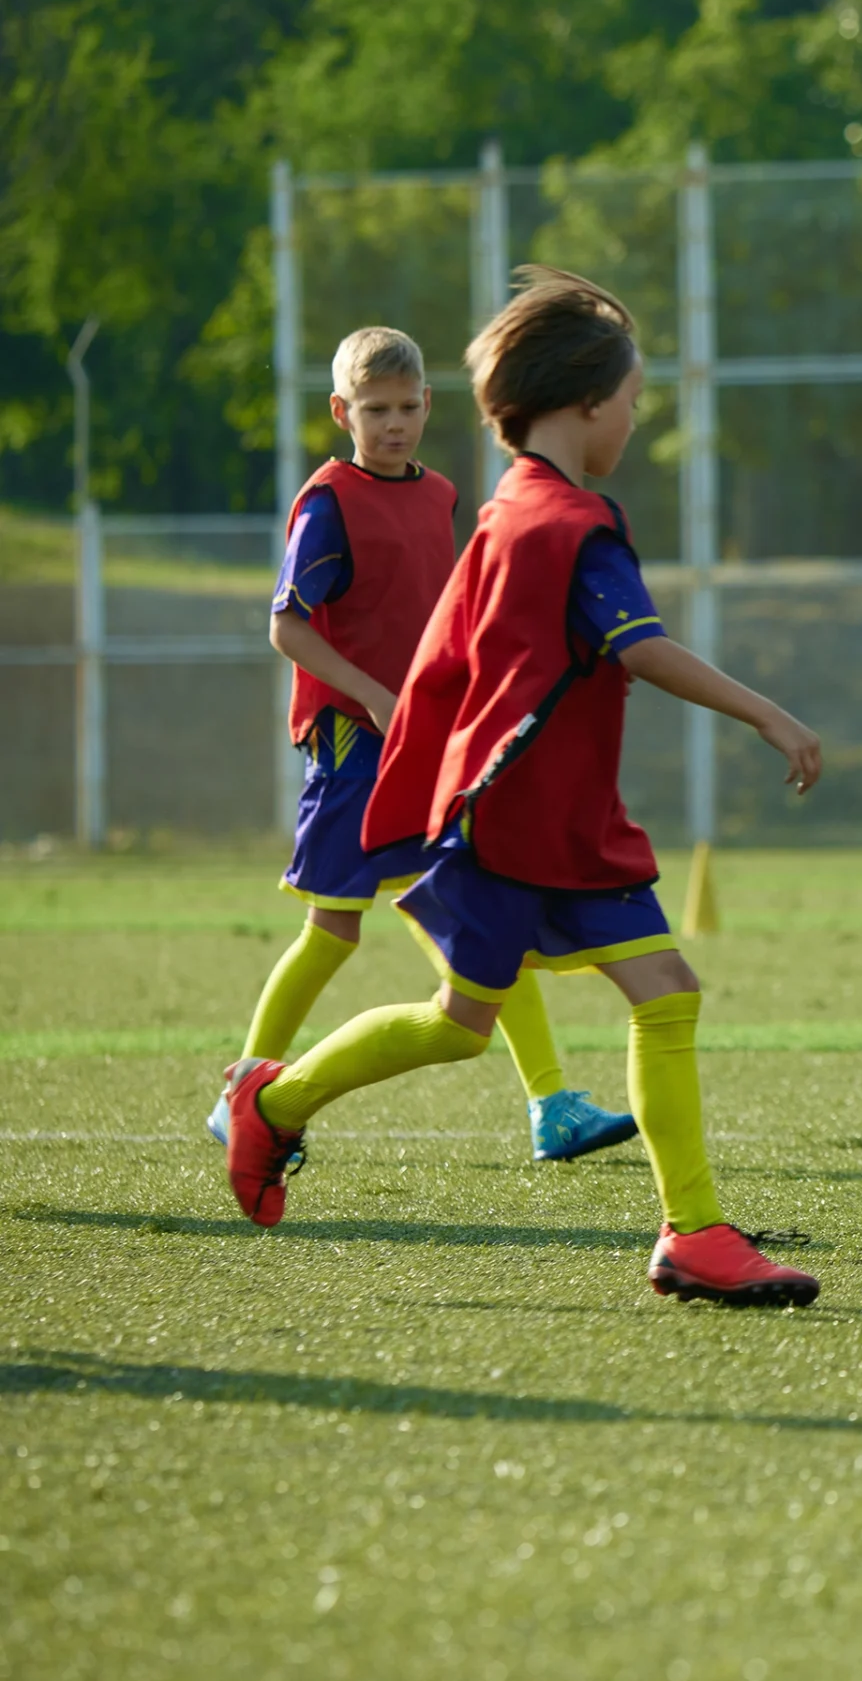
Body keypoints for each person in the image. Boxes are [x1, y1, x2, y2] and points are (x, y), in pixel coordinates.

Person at [213, 268, 826, 1307]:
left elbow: (452, 660)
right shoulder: (566, 525)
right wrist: (767, 711)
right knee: (471, 1018)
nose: (634, 417)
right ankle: (280, 1105)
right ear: (587, 402)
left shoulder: (503, 507)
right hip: (516, 821)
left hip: (546, 811)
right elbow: (640, 649)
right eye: (633, 399)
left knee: (610, 1001)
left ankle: (692, 1234)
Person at [207, 324, 637, 1165]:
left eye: (406, 407)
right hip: (351, 744)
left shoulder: (438, 492)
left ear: (430, 406)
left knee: (484, 912)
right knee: (334, 929)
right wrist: (369, 692)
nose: (393, 423)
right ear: (342, 411)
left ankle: (552, 1104)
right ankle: (244, 1096)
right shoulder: (328, 502)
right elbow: (287, 627)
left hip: (422, 742)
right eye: (375, 409)